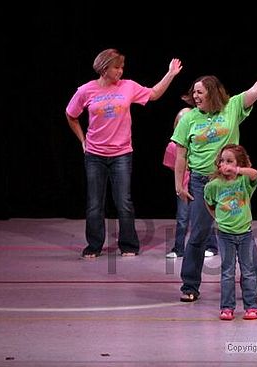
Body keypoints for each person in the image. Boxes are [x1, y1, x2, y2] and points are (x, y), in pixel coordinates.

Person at [172, 45, 257, 302]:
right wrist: (179, 184)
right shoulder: (189, 118)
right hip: (203, 182)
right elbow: (181, 153)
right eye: (194, 92)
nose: (196, 96)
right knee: (199, 236)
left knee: (243, 233)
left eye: (200, 92)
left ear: (212, 92)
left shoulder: (232, 107)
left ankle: (253, 288)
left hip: (233, 182)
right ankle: (189, 285)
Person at [66, 48, 182, 258]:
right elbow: (71, 114)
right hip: (95, 155)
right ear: (104, 69)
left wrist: (170, 74)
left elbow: (153, 94)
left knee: (124, 202)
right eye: (116, 67)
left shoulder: (128, 86)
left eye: (122, 67)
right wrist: (82, 141)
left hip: (121, 154)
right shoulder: (86, 90)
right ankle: (94, 246)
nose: (121, 71)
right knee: (94, 204)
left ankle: (128, 245)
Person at [204, 144, 257, 320]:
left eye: (229, 161)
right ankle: (227, 307)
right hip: (225, 235)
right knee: (227, 272)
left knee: (248, 270)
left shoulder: (243, 181)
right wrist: (218, 219)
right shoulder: (214, 185)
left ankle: (251, 306)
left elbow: (255, 174)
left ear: (239, 163)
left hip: (245, 233)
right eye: (222, 161)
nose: (224, 164)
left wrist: (238, 170)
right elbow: (209, 203)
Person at [163, 106, 218, 258]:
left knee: (204, 217)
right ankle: (178, 248)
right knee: (182, 218)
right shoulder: (173, 147)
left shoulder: (201, 143)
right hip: (183, 187)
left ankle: (212, 246)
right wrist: (179, 184)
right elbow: (173, 167)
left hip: (199, 186)